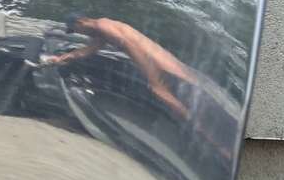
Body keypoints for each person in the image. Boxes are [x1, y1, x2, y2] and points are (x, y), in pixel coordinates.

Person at [48, 13, 198, 120]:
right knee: (187, 93)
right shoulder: (100, 31)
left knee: (163, 91)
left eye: (74, 30)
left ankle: (194, 125)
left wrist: (154, 79)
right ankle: (193, 122)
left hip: (157, 60)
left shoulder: (103, 26)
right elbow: (86, 51)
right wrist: (60, 58)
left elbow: (129, 45)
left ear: (80, 22)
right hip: (157, 58)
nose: (77, 33)